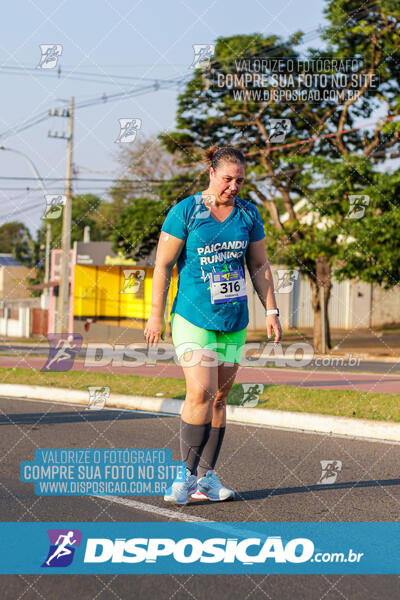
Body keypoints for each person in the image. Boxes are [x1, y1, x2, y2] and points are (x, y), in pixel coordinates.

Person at [144, 146, 282, 505]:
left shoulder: (248, 214)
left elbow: (259, 266)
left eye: (240, 180)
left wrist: (271, 310)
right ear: (211, 173)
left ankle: (207, 478)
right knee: (200, 392)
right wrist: (155, 314)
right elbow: (162, 266)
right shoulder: (186, 211)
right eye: (227, 178)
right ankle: (185, 477)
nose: (234, 186)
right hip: (192, 317)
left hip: (233, 318)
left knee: (220, 397)